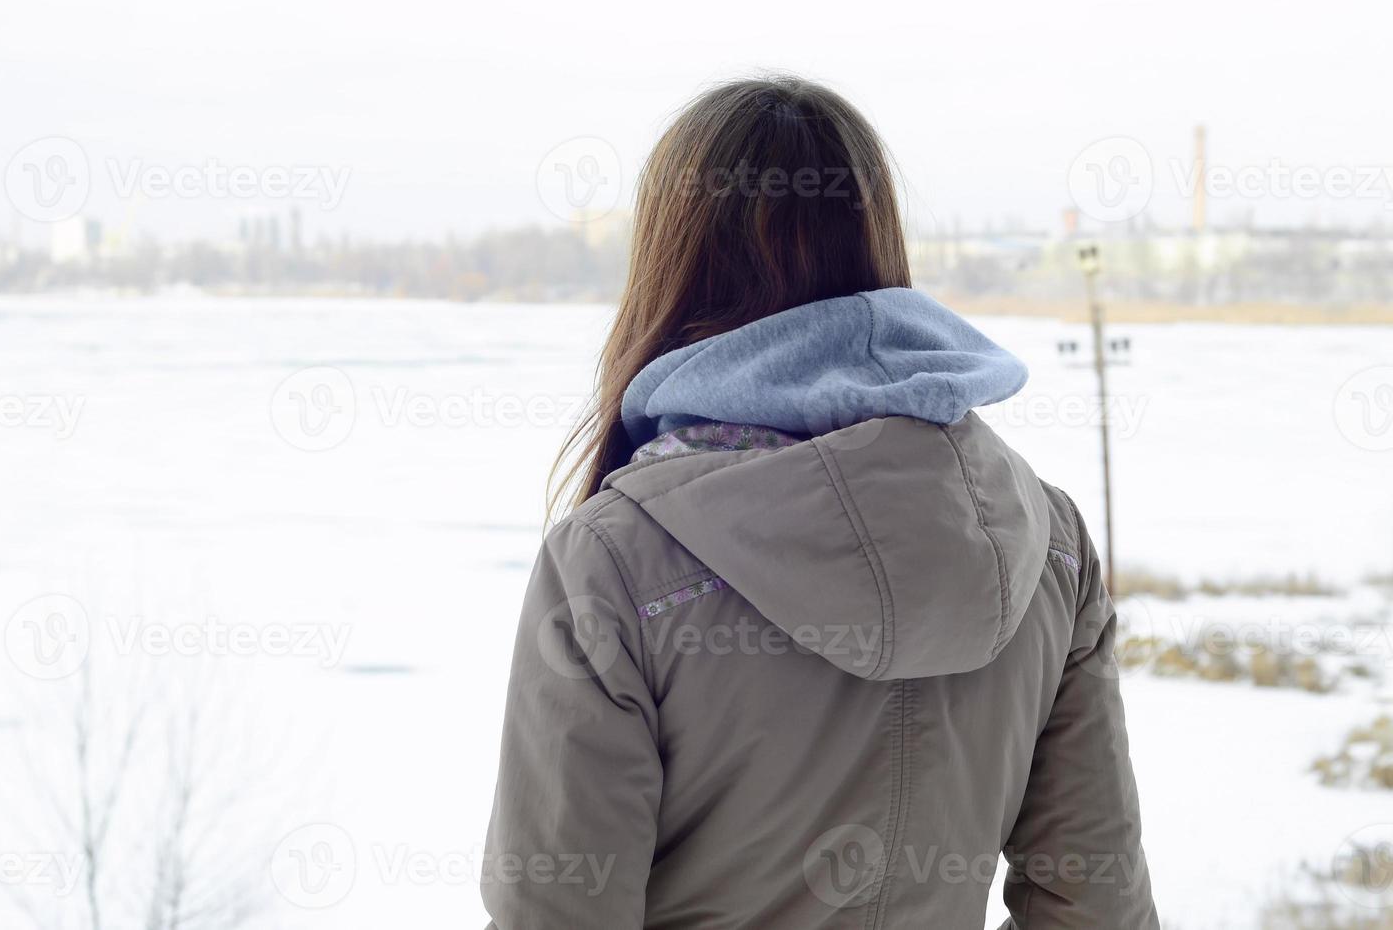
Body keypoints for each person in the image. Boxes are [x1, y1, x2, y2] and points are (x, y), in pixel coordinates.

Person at [482, 75, 1157, 929]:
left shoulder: (616, 559)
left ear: (673, 262)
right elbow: (1096, 904)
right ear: (877, 241)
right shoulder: (1047, 537)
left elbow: (557, 912)